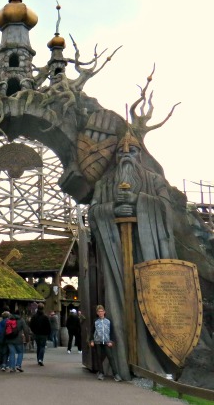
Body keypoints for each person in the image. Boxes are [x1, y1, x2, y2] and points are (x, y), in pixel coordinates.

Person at [89, 130, 178, 380]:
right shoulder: (104, 184)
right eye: (121, 151)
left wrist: (139, 201)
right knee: (117, 300)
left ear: (141, 154)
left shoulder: (154, 180)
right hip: (115, 249)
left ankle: (149, 358)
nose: (126, 155)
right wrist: (112, 209)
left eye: (132, 151)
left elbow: (165, 209)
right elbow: (93, 212)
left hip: (146, 250)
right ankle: (121, 362)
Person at [89, 305, 122, 382]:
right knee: (99, 358)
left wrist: (111, 341)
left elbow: (112, 332)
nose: (100, 313)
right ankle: (101, 373)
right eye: (99, 312)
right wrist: (91, 340)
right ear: (97, 313)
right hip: (98, 342)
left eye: (102, 311)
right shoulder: (95, 321)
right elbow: (92, 331)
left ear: (104, 312)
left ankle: (116, 374)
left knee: (110, 357)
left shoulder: (108, 321)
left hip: (107, 342)